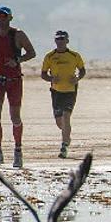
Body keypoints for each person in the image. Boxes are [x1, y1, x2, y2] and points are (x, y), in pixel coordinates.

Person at [0, 6, 36, 167]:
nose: (1, 19)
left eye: (4, 17)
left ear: (10, 18)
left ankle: (18, 151)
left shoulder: (18, 34)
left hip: (14, 80)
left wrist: (17, 60)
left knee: (15, 116)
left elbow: (32, 53)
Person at [39, 30, 86, 158]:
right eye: (58, 39)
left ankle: (64, 146)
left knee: (66, 117)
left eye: (62, 39)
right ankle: (67, 135)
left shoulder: (74, 55)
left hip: (70, 91)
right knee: (60, 122)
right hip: (56, 91)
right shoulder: (50, 56)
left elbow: (82, 71)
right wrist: (51, 79)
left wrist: (77, 78)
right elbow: (43, 74)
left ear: (67, 41)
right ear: (55, 41)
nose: (60, 41)